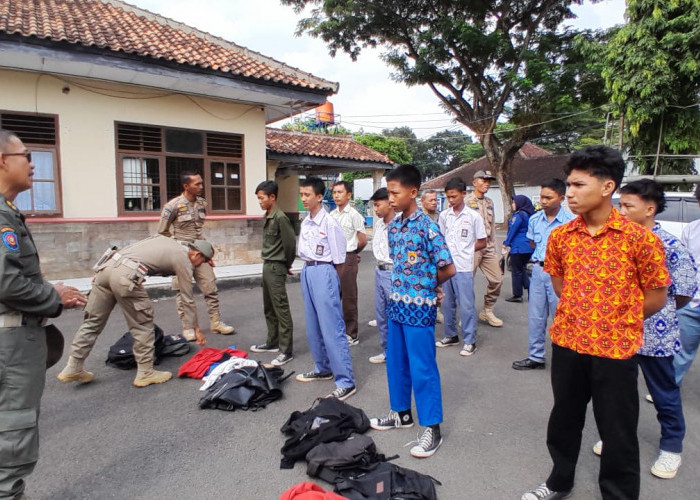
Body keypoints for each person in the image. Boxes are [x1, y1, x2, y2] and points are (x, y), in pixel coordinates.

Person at [522, 146, 670, 500]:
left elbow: (657, 295)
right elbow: (561, 285)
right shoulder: (561, 237)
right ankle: (559, 481)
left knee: (617, 431)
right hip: (569, 343)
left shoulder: (639, 239)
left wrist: (616, 321)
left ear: (607, 187)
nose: (569, 193)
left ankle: (618, 494)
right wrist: (583, 313)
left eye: (578, 185)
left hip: (615, 351)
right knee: (564, 421)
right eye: (568, 185)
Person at [0, 129, 87, 499]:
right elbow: (6, 283)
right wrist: (53, 297)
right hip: (11, 342)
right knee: (13, 436)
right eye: (26, 155)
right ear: (3, 160)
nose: (33, 164)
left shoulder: (10, 213)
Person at [590, 179, 696, 479]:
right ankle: (616, 437)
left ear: (650, 209)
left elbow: (685, 289)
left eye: (627, 206)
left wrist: (656, 313)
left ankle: (671, 448)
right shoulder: (616, 241)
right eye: (619, 205)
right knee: (618, 392)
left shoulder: (669, 244)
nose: (620, 211)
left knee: (663, 392)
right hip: (617, 333)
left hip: (656, 334)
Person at [369, 164, 455, 459]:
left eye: (395, 192)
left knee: (422, 367)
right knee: (396, 362)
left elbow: (448, 267)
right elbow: (401, 266)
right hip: (397, 305)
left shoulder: (427, 227)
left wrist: (425, 286)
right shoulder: (393, 227)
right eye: (389, 192)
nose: (390, 198)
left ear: (413, 192)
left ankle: (432, 427)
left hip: (419, 309)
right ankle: (400, 413)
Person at [58, 236, 213, 388]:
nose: (201, 266)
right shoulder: (184, 259)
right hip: (125, 276)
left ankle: (73, 366)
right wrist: (195, 328)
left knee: (92, 322)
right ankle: (145, 373)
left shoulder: (165, 241)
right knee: (143, 324)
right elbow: (187, 297)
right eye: (204, 262)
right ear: (196, 254)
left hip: (105, 269)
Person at [295, 177, 356, 401]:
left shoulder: (329, 223)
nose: (303, 198)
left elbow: (339, 260)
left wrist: (331, 284)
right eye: (301, 195)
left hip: (325, 271)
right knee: (313, 326)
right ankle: (322, 367)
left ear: (319, 197)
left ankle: (346, 381)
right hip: (308, 270)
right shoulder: (306, 222)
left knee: (332, 328)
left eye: (307, 195)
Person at [157, 171, 234, 339]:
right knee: (183, 291)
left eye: (201, 183)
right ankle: (188, 327)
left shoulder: (202, 204)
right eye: (197, 184)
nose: (201, 187)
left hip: (199, 251)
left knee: (210, 286)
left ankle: (215, 322)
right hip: (182, 252)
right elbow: (162, 232)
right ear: (186, 186)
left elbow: (199, 230)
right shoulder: (173, 206)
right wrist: (175, 251)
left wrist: (206, 252)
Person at [512, 179, 574, 370]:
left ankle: (567, 359)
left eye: (549, 197)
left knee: (561, 316)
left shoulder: (571, 222)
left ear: (561, 198)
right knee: (536, 316)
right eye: (541, 197)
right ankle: (536, 356)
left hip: (562, 273)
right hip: (539, 270)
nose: (544, 201)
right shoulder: (534, 219)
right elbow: (533, 244)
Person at [435, 177, 487, 355]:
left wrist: (466, 249)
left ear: (463, 194)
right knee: (447, 304)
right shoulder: (444, 215)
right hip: (447, 267)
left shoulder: (473, 217)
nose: (450, 200)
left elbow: (482, 241)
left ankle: (470, 340)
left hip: (464, 267)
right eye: (448, 197)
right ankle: (451, 335)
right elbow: (440, 239)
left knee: (466, 305)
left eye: (454, 196)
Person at [250, 180, 297, 367]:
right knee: (268, 307)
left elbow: (290, 244)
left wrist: (287, 264)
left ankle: (286, 350)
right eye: (258, 198)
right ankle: (272, 341)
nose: (260, 201)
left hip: (276, 267)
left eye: (262, 198)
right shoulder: (268, 216)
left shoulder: (280, 218)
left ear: (272, 197)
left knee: (281, 309)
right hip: (267, 265)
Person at [330, 181, 367, 346]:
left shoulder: (354, 215)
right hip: (334, 259)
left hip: (348, 257)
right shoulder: (331, 215)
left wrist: (352, 255)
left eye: (340, 192)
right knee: (334, 296)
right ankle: (338, 330)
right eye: (334, 192)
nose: (336, 195)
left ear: (349, 195)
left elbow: (362, 240)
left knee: (349, 297)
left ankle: (352, 333)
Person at [466, 170, 504, 327]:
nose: (487, 183)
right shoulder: (466, 201)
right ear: (474, 182)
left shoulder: (489, 202)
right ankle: (466, 314)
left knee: (497, 279)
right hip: (472, 247)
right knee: (467, 282)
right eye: (484, 180)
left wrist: (495, 248)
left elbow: (492, 225)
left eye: (489, 181)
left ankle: (487, 310)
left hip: (487, 247)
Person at [673, 183, 700, 386]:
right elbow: (685, 267)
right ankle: (670, 388)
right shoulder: (692, 229)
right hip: (692, 304)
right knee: (682, 350)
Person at [368, 187, 395, 364]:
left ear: (389, 203)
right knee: (381, 315)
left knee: (395, 315)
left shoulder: (399, 225)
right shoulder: (378, 224)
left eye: (378, 205)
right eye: (374, 206)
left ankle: (397, 353)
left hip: (393, 273)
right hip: (380, 271)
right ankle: (387, 351)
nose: (375, 209)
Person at [502, 194, 535, 302]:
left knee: (516, 270)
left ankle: (518, 294)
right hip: (529, 247)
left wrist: (506, 243)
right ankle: (530, 289)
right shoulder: (530, 215)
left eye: (514, 202)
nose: (512, 204)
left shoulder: (519, 215)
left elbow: (513, 230)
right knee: (522, 269)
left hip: (519, 247)